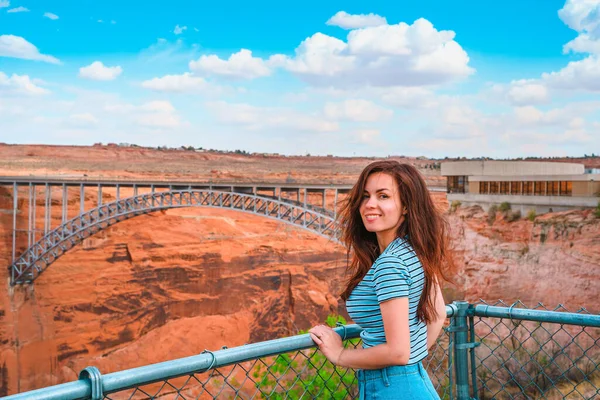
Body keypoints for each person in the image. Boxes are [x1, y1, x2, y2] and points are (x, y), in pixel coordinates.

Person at [309, 160, 453, 399]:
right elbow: (438, 314)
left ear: (406, 206)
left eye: (383, 196)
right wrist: (410, 360)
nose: (369, 205)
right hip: (412, 381)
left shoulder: (390, 264)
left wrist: (340, 355)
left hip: (392, 388)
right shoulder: (413, 250)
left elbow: (397, 352)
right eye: (365, 196)